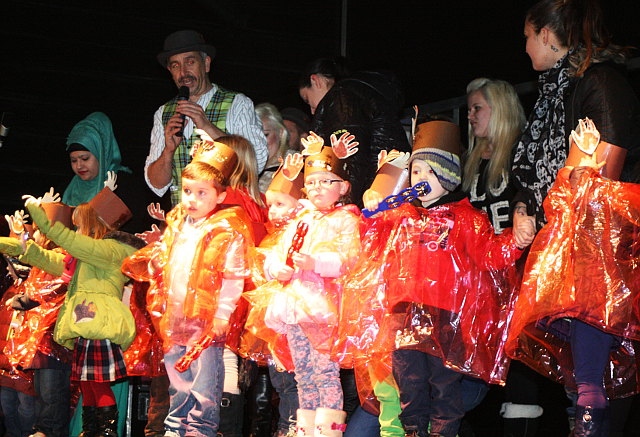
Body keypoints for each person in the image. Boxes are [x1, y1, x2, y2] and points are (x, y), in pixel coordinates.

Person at [344, 119, 535, 437]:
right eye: (416, 171)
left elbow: (489, 254)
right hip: (403, 317)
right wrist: (374, 209)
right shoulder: (401, 215)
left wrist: (514, 241)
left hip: (446, 319)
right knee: (410, 387)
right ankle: (414, 432)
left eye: (430, 172)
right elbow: (370, 244)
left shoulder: (465, 218)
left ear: (448, 175)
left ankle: (444, 432)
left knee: (444, 389)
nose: (421, 178)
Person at [510, 0, 640, 434]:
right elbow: (530, 170)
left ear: (547, 34)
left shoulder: (599, 83)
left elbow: (603, 176)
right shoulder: (552, 93)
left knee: (598, 381)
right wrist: (525, 207)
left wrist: (563, 193)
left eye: (528, 35)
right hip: (564, 249)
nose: (525, 46)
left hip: (598, 256)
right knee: (581, 381)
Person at [122, 138, 254, 437]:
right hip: (175, 317)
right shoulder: (179, 226)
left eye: (202, 193)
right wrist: (155, 260)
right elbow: (167, 265)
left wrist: (222, 315)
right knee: (177, 379)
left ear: (220, 196)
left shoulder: (227, 230)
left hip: (205, 322)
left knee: (204, 382)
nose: (192, 199)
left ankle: (200, 429)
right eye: (187, 191)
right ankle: (174, 427)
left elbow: (234, 276)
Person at [4, 192, 143, 437]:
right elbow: (46, 257)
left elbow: (68, 241)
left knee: (98, 386)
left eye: (80, 225)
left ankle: (104, 432)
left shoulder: (109, 251)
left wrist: (39, 211)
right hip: (86, 326)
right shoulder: (83, 260)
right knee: (88, 385)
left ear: (94, 226)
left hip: (101, 325)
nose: (76, 230)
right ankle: (92, 431)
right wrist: (16, 246)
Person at [261, 134, 361, 437]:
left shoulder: (346, 219)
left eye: (326, 181)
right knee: (302, 375)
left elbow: (350, 258)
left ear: (342, 187)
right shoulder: (299, 220)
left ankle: (329, 433)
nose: (317, 188)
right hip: (293, 307)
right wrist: (275, 268)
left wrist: (316, 263)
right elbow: (277, 254)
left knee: (325, 375)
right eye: (312, 182)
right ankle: (306, 431)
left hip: (323, 309)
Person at [145, 29, 268, 207]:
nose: (183, 72)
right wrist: (168, 152)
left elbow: (256, 163)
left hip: (227, 219)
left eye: (190, 62)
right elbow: (156, 184)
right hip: (183, 224)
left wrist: (206, 126)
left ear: (206, 64)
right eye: (175, 66)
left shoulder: (237, 103)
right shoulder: (163, 113)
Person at [298, 57, 411, 208]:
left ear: (316, 81)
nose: (312, 111)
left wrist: (348, 208)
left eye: (307, 99)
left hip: (369, 199)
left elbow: (352, 160)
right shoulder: (366, 94)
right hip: (389, 189)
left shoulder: (341, 99)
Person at [256, 103, 291, 193]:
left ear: (280, 133)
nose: (259, 142)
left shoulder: (294, 163)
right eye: (254, 136)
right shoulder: (243, 169)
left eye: (265, 135)